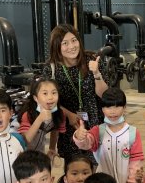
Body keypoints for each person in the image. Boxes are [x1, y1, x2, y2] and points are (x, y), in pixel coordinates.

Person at [43, 24, 108, 162]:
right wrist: (69, 115)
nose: (71, 46)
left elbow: (105, 95)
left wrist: (97, 73)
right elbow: (46, 101)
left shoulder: (92, 60)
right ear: (57, 46)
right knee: (74, 167)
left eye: (74, 40)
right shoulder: (51, 68)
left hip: (96, 122)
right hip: (69, 126)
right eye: (65, 43)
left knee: (97, 165)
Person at [73, 87, 145, 183]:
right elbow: (86, 143)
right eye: (108, 107)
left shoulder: (132, 133)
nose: (112, 111)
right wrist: (79, 136)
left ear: (124, 107)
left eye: (117, 106)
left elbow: (136, 164)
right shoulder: (98, 130)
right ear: (102, 109)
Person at [18, 77, 65, 160]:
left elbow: (55, 130)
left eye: (54, 93)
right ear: (36, 98)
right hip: (21, 151)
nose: (50, 97)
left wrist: (52, 148)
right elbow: (25, 141)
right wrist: (40, 118)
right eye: (45, 93)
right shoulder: (28, 114)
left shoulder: (59, 113)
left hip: (39, 149)